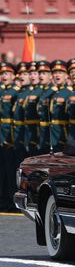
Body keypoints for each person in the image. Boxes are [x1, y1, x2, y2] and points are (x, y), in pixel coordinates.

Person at [0, 62, 19, 211]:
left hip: (9, 137)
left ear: (13, 76)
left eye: (7, 74)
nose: (4, 76)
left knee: (10, 171)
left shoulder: (15, 92)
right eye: (2, 74)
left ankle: (11, 201)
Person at [49, 60, 73, 152]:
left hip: (63, 133)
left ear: (66, 76)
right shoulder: (55, 93)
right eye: (55, 72)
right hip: (54, 133)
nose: (57, 75)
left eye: (60, 72)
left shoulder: (69, 92)